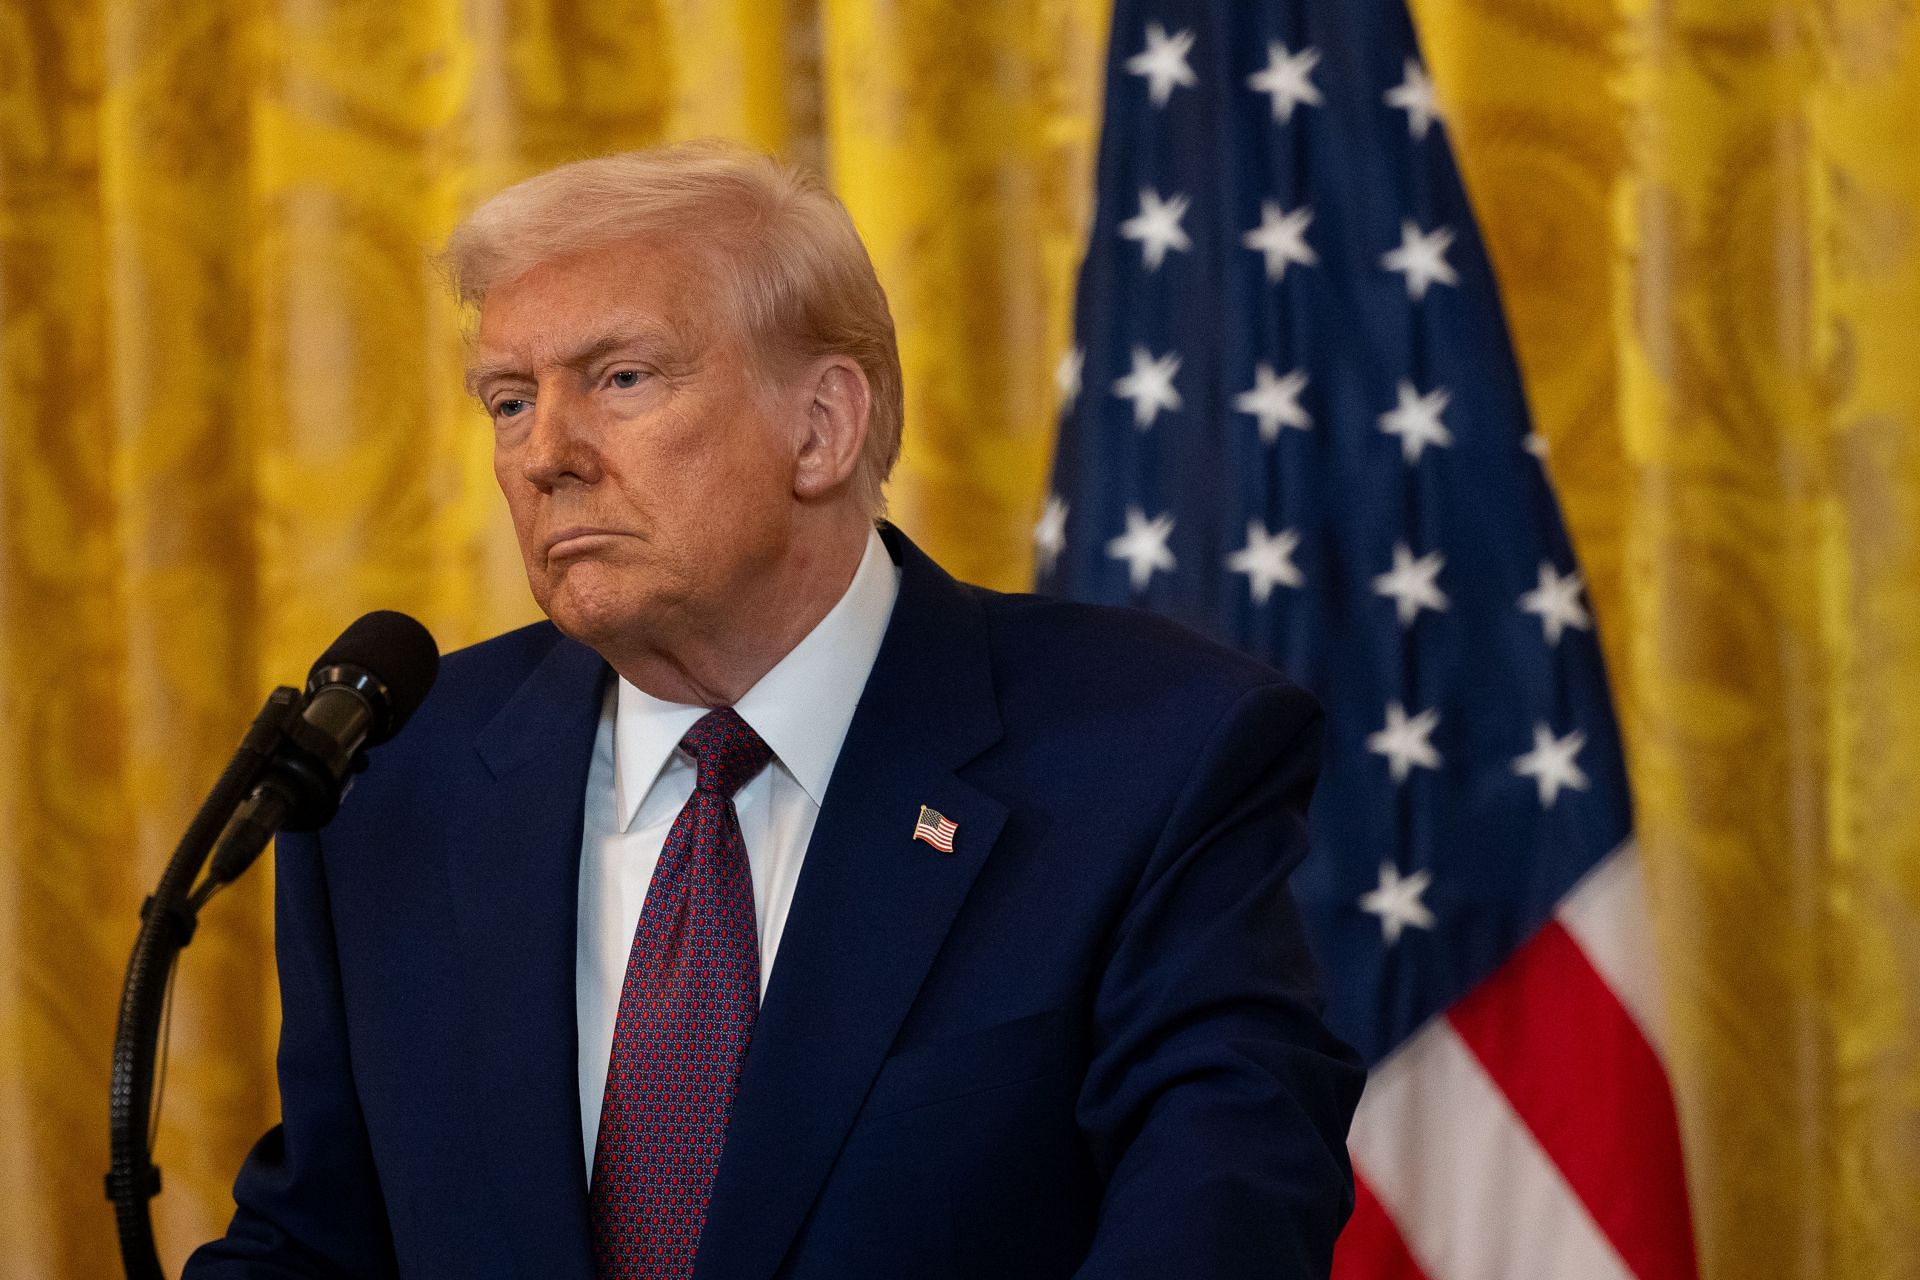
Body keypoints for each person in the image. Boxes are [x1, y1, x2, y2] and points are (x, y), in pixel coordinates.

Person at [187, 140, 1363, 1280]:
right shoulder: (398, 774)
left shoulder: (1152, 752)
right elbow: (323, 1239)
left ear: (822, 426)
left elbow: (1222, 1219)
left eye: (620, 378)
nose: (544, 453)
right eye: (506, 400)